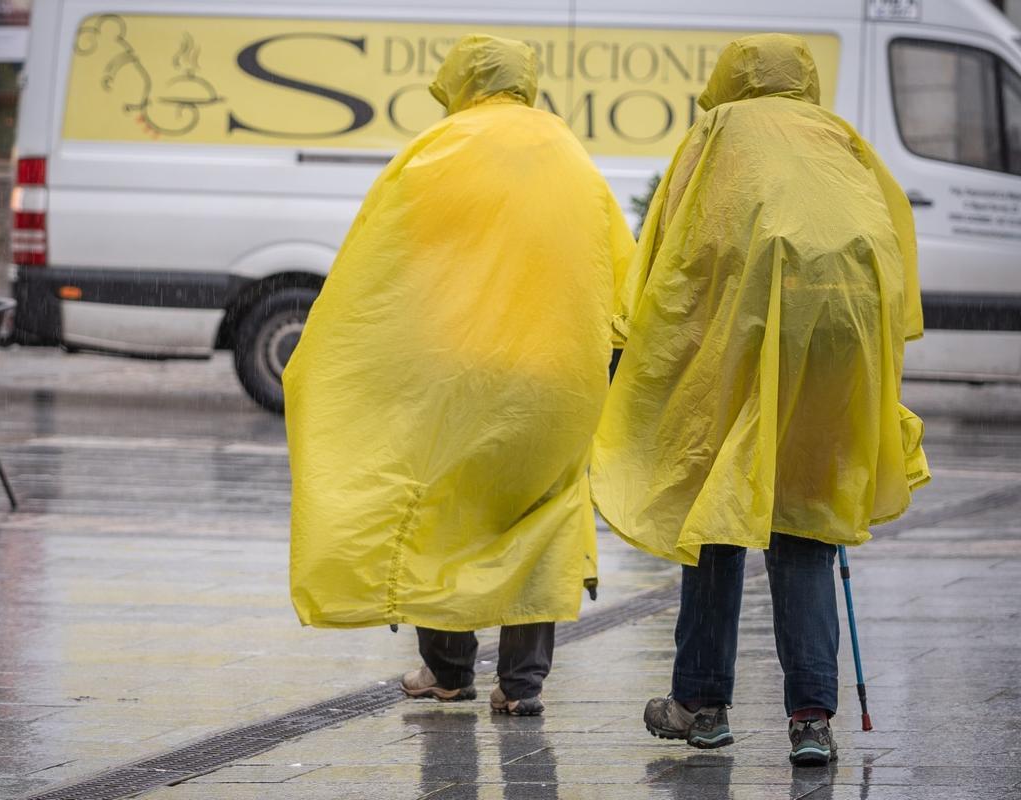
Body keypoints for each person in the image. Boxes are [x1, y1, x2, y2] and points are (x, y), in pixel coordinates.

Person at [590, 34, 929, 764]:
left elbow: (676, 246)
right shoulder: (838, 136)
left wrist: (639, 338)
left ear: (732, 77)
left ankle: (701, 704)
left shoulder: (718, 134)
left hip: (742, 336)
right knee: (804, 519)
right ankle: (811, 719)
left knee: (714, 509)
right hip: (840, 341)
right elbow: (891, 239)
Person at [285, 34, 635, 716]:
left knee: (445, 507)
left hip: (460, 369)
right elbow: (613, 267)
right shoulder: (570, 157)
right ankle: (523, 685)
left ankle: (448, 670)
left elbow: (383, 264)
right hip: (553, 377)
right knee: (544, 511)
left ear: (461, 83)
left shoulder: (438, 151)